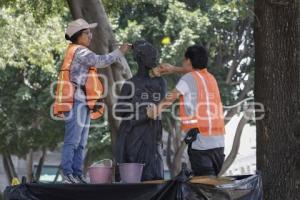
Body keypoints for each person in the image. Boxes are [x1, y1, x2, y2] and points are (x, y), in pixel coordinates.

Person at [53, 18, 131, 184]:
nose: (91, 35)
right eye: (87, 32)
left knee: (81, 143)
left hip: (83, 102)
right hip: (76, 101)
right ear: (78, 36)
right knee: (73, 140)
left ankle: (76, 174)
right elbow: (100, 61)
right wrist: (120, 52)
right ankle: (67, 174)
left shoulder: (78, 50)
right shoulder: (80, 51)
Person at [147, 45, 225, 176]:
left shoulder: (188, 79)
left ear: (188, 61)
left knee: (203, 189)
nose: (182, 63)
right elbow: (193, 72)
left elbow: (170, 98)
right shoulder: (210, 78)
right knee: (211, 185)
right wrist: (172, 69)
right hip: (219, 146)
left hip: (201, 145)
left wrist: (154, 111)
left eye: (184, 60)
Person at [115, 41, 166, 181]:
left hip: (153, 136)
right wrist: (141, 110)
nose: (155, 58)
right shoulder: (130, 84)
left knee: (155, 178)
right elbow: (119, 109)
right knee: (136, 180)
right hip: (134, 137)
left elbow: (161, 106)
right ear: (141, 58)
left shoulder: (160, 82)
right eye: (151, 55)